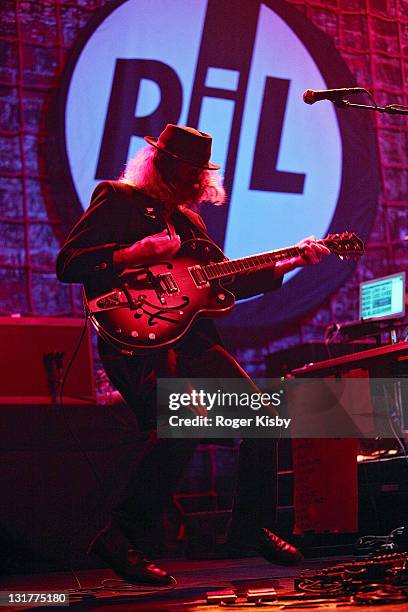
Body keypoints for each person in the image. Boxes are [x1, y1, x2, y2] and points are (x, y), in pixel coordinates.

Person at [56, 124, 329, 585]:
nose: (193, 184)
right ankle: (120, 537)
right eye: (184, 172)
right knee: (179, 427)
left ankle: (249, 528)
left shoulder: (191, 224)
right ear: (160, 164)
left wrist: (288, 263)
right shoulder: (117, 198)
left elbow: (223, 284)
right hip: (137, 338)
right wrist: (133, 252)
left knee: (262, 420)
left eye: (198, 176)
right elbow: (69, 263)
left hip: (194, 339)